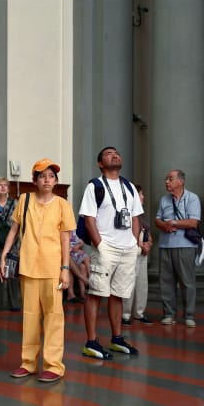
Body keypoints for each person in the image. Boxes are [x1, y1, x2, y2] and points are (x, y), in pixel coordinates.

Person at [0, 159, 76, 383]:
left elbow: (65, 239)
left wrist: (65, 268)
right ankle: (28, 362)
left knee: (54, 317)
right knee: (30, 317)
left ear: (55, 181)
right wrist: (4, 254)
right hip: (28, 267)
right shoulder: (24, 200)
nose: (47, 180)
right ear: (34, 180)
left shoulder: (62, 204)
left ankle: (54, 365)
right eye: (42, 176)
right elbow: (14, 230)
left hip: (53, 268)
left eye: (51, 176)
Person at [79, 147, 143, 359]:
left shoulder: (130, 187)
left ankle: (117, 338)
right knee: (96, 293)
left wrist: (134, 243)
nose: (114, 155)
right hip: (106, 248)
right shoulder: (95, 186)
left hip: (127, 249)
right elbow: (89, 218)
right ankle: (91, 341)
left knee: (119, 294)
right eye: (108, 154)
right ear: (100, 163)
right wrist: (100, 245)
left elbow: (135, 217)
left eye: (116, 153)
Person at [155, 169, 201, 327]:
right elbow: (157, 221)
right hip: (165, 245)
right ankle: (169, 314)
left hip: (185, 245)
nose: (167, 181)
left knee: (187, 282)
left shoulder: (192, 198)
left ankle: (189, 315)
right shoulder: (164, 199)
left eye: (170, 179)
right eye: (166, 179)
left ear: (180, 181)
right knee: (166, 281)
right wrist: (163, 224)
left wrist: (172, 223)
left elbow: (193, 222)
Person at [0, 176, 21, 312]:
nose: (2, 187)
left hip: (12, 242)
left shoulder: (15, 203)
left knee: (11, 273)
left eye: (5, 185)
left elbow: (18, 224)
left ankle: (14, 302)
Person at [122, 184, 153, 325]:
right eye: (140, 194)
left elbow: (147, 231)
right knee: (129, 282)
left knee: (142, 283)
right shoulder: (126, 211)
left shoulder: (141, 213)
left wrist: (149, 243)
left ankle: (139, 312)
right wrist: (140, 244)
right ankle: (125, 314)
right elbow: (125, 232)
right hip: (131, 251)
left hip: (142, 252)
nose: (143, 197)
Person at [66, 231, 89, 303]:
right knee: (68, 268)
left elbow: (80, 242)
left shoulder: (72, 231)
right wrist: (74, 249)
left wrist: (78, 247)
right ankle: (87, 281)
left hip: (72, 256)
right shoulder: (61, 231)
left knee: (82, 266)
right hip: (65, 257)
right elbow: (64, 247)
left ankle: (82, 294)